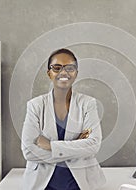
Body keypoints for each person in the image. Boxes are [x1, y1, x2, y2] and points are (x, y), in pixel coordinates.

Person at [21, 48, 106, 190]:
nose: (63, 72)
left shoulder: (88, 104)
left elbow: (93, 146)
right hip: (42, 184)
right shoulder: (35, 106)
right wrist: (76, 148)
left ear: (76, 73)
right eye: (57, 67)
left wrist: (51, 146)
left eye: (70, 68)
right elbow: (29, 151)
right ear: (49, 73)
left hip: (81, 183)